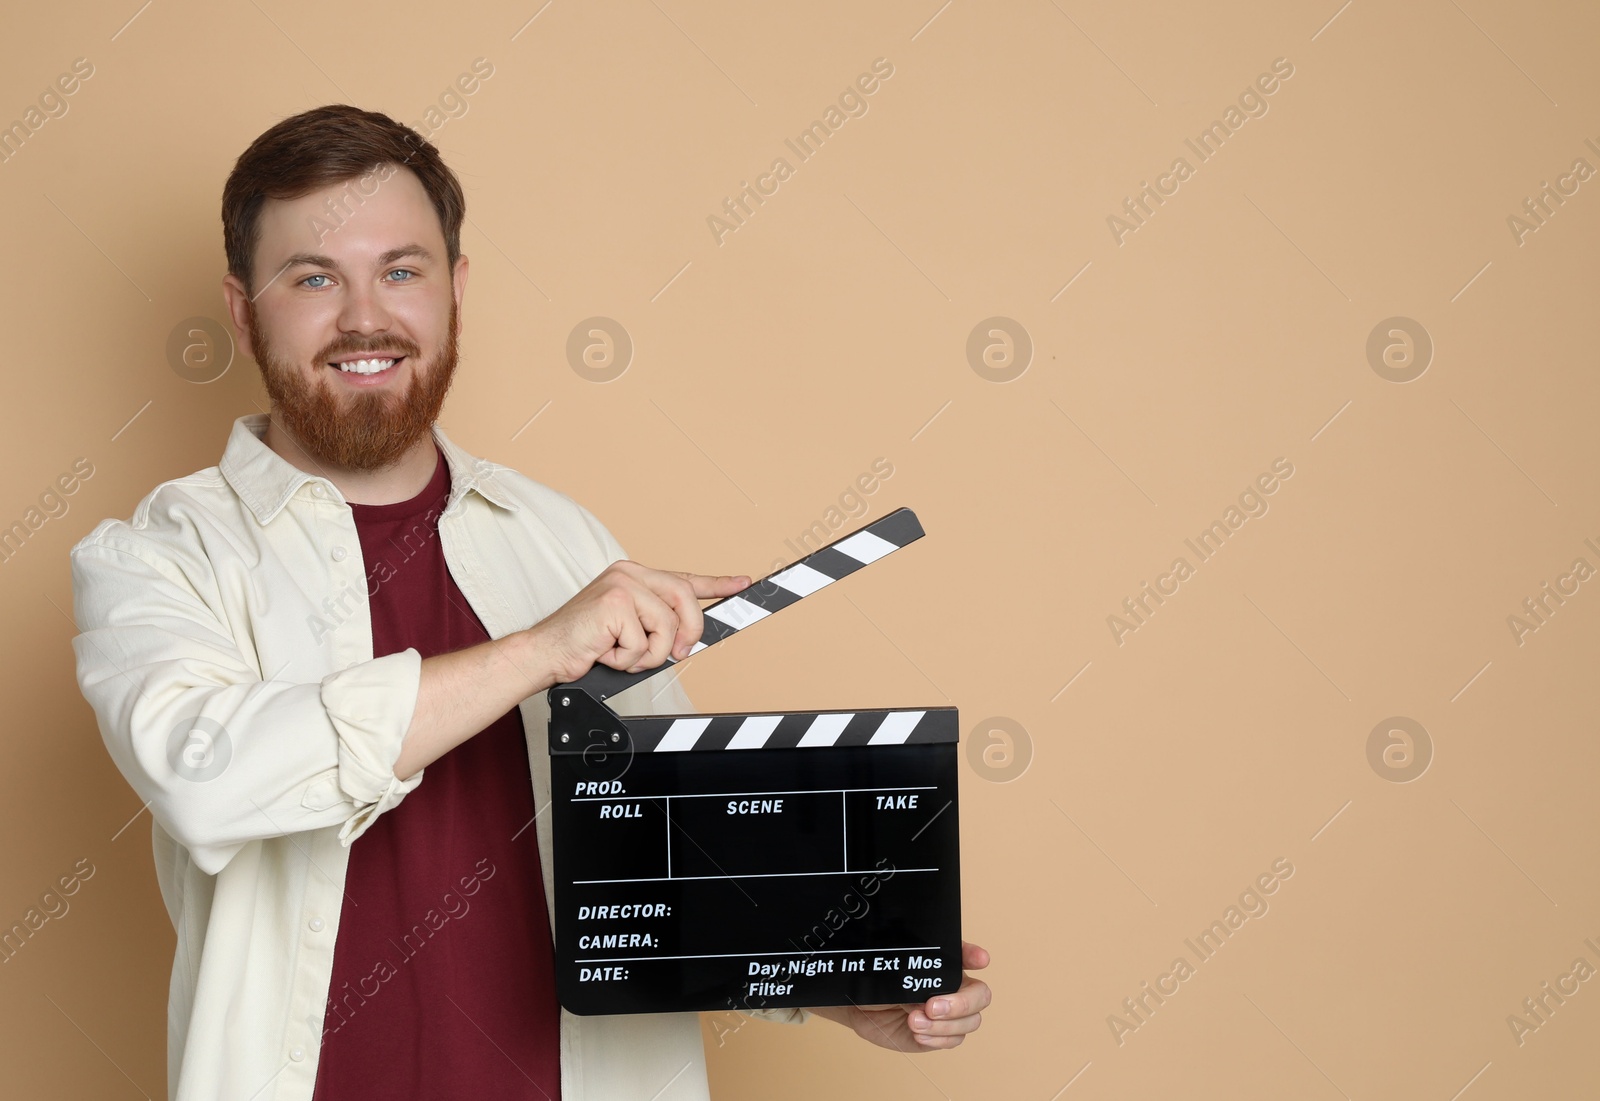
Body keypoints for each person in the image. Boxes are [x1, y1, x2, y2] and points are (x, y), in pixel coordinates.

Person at [68, 104, 990, 1101]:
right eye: (314, 278)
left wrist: (823, 983)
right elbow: (207, 780)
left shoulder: (564, 542)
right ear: (244, 309)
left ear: (455, 293)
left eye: (402, 271)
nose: (364, 317)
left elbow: (659, 865)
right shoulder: (162, 555)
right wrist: (541, 650)